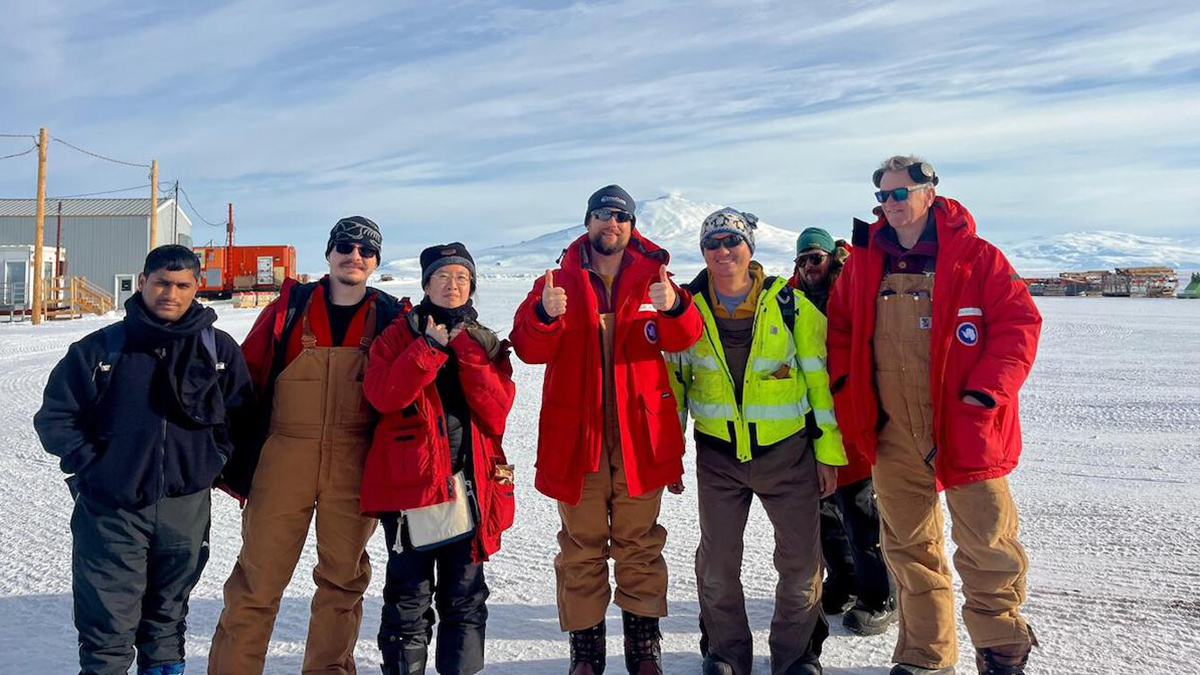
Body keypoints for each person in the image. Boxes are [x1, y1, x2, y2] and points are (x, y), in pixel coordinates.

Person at [827, 156, 1042, 675]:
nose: (891, 205)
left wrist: (984, 397)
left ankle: (1001, 649)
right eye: (883, 197)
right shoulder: (863, 263)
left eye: (901, 193)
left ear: (929, 192)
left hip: (967, 428)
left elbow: (1020, 325)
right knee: (908, 547)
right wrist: (849, 394)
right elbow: (840, 332)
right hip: (891, 430)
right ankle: (926, 656)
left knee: (987, 546)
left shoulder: (975, 257)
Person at [509, 185, 703, 675]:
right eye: (601, 215)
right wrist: (543, 315)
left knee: (640, 543)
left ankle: (643, 650)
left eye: (620, 216)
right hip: (579, 437)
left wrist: (674, 305)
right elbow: (528, 349)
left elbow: (686, 338)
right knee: (582, 546)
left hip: (641, 434)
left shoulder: (656, 278)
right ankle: (586, 653)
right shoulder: (555, 281)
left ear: (632, 225)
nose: (610, 224)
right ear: (587, 223)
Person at [34, 245, 253, 675]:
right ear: (142, 282)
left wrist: (214, 460)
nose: (170, 293)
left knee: (167, 622)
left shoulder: (218, 350)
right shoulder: (101, 349)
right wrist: (95, 466)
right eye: (161, 283)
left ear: (197, 288)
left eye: (182, 285)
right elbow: (56, 416)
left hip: (184, 509)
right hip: (112, 509)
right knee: (108, 628)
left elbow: (242, 416)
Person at [209, 216, 404, 674]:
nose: (354, 256)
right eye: (344, 246)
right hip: (284, 456)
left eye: (365, 250)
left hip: (355, 462)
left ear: (375, 261)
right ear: (329, 253)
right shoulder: (289, 309)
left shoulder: (391, 316)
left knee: (342, 583)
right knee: (256, 582)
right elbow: (244, 378)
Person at [667, 209, 846, 675]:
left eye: (733, 242)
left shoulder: (791, 306)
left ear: (750, 249)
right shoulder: (685, 310)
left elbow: (819, 384)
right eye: (713, 244)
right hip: (718, 457)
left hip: (788, 455)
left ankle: (797, 657)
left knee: (801, 564)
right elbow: (676, 388)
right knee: (718, 565)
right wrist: (670, 456)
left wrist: (827, 452)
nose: (723, 252)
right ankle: (726, 656)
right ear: (703, 252)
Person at [361, 242, 517, 675]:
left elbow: (497, 411)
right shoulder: (397, 335)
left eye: (462, 278)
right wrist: (428, 348)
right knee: (408, 594)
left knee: (465, 595)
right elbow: (383, 395)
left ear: (472, 286)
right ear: (427, 283)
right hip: (412, 487)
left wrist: (464, 350)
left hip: (471, 483)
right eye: (443, 277)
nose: (453, 285)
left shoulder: (483, 340)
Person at [790, 228, 897, 636]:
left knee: (860, 509)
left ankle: (880, 595)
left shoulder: (854, 288)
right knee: (823, 509)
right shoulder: (792, 296)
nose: (807, 267)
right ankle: (845, 580)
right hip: (814, 421)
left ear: (832, 258)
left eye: (814, 257)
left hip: (852, 413)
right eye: (801, 260)